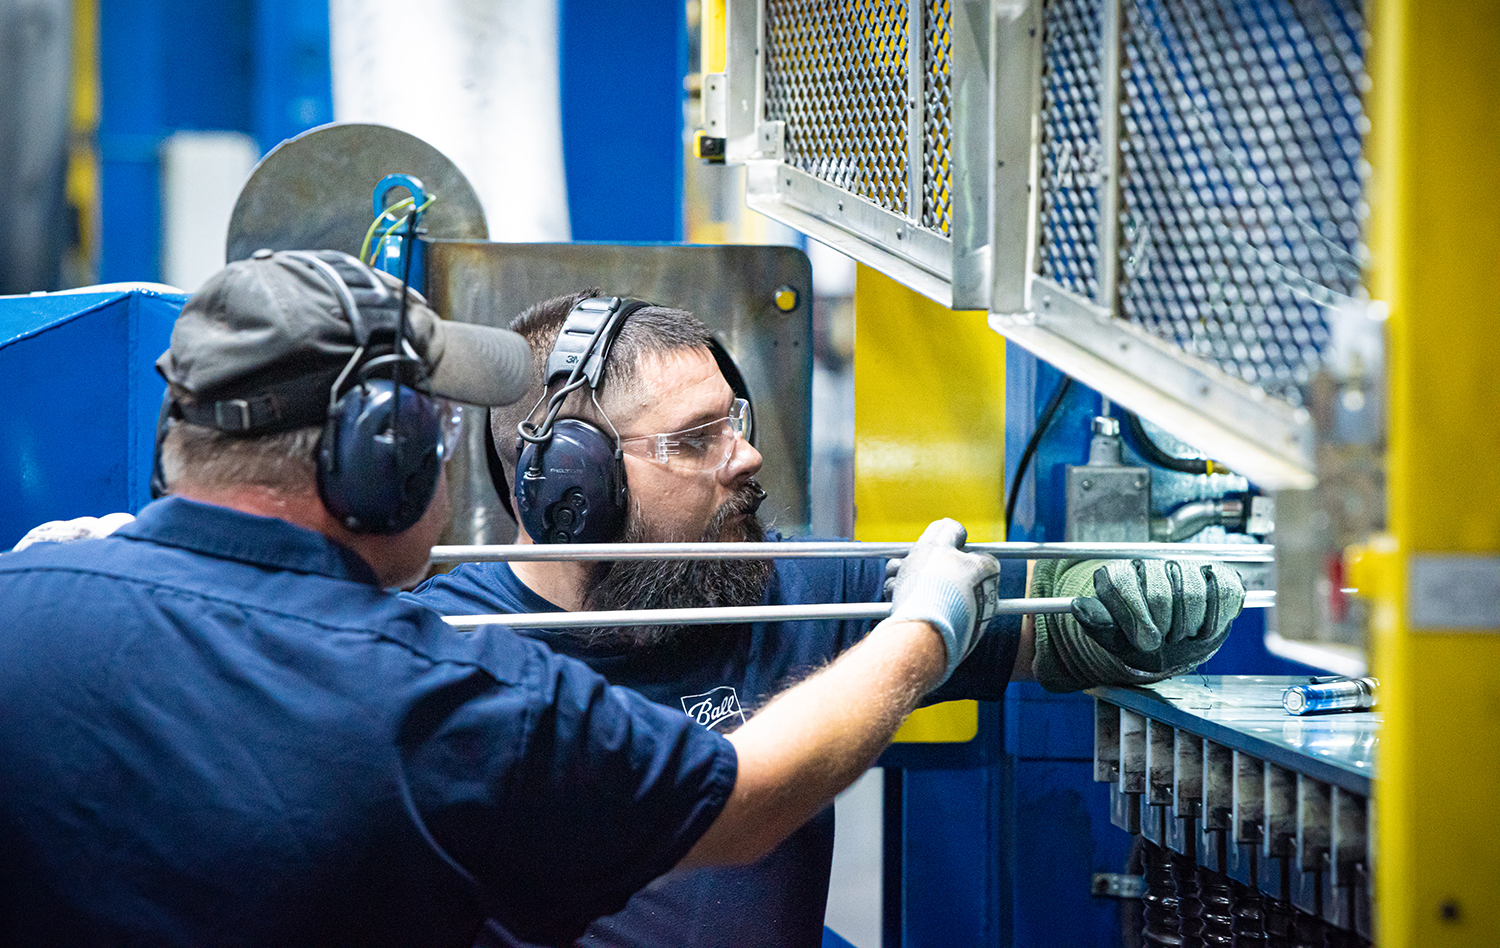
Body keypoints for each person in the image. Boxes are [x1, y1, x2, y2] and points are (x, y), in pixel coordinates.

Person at [0, 253, 1005, 948]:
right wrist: (924, 631)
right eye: (433, 430)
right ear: (378, 465)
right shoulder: (445, 693)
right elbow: (738, 805)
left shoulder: (26, 604)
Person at [409, 291, 1247, 948]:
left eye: (733, 419)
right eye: (695, 439)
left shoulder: (788, 585)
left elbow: (1048, 619)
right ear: (571, 488)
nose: (747, 455)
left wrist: (1134, 608)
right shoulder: (445, 659)